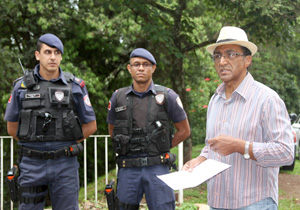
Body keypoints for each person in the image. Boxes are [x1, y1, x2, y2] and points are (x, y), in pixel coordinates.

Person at [182, 26, 294, 210]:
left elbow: (286, 152)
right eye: (217, 56)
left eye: (231, 54)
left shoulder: (267, 99)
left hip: (254, 202)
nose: (222, 61)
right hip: (217, 202)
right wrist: (199, 160)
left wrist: (241, 147)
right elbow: (212, 146)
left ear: (247, 60)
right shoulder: (215, 99)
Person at [4, 33, 97, 210]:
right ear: (37, 55)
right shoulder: (21, 87)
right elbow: (12, 128)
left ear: (61, 56)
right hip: (31, 164)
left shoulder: (75, 86)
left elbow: (91, 126)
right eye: (47, 52)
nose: (52, 57)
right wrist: (36, 143)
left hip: (65, 164)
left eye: (56, 52)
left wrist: (62, 143)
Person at [107, 48, 190, 210]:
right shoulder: (118, 97)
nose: (141, 68)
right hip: (128, 168)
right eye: (136, 64)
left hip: (157, 167)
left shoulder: (168, 96)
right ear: (129, 68)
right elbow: (113, 130)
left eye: (146, 64)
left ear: (153, 68)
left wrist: (161, 145)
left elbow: (184, 131)